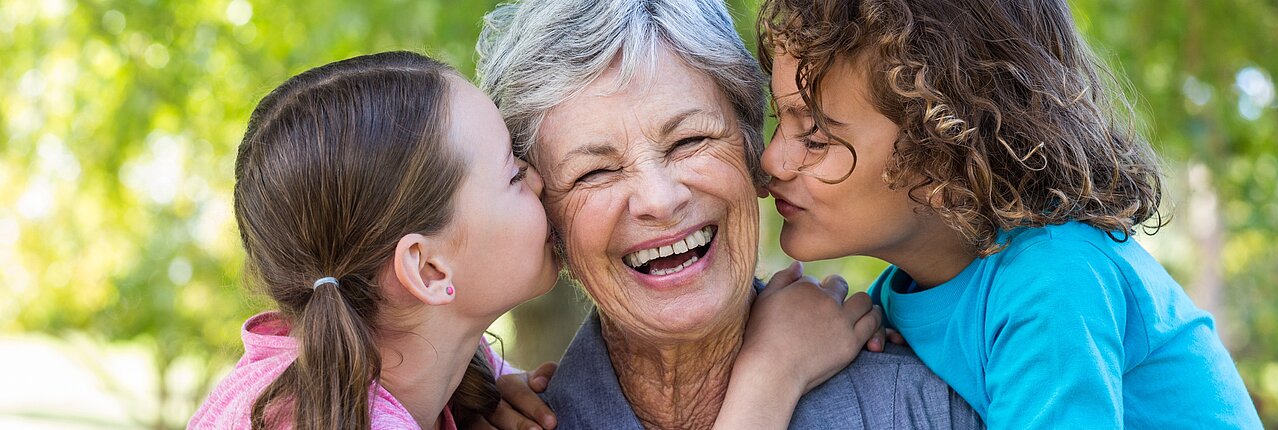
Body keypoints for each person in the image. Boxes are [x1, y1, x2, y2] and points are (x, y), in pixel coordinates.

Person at [189, 51, 880, 430]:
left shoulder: (358, 362)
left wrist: (483, 386)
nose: (548, 190)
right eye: (517, 174)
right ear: (428, 270)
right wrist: (771, 376)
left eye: (691, 139)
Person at [755, 0, 1263, 428]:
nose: (771, 160)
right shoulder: (905, 291)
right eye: (780, 122)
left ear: (944, 151)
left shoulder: (1052, 277)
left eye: (817, 137)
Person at [477, 0, 983, 428]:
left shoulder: (919, 406)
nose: (660, 199)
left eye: (690, 140)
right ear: (546, 222)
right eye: (595, 172)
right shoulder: (498, 420)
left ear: (751, 153)